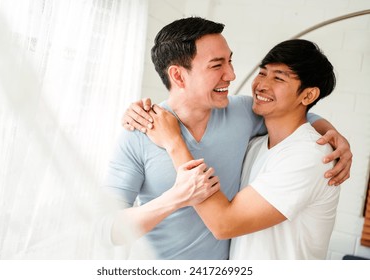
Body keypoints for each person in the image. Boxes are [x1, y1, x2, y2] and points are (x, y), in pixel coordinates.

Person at [107, 16, 351, 259]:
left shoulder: (243, 113)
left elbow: (292, 116)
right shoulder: (139, 132)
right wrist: (173, 199)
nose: (232, 75)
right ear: (179, 76)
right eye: (217, 65)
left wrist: (332, 133)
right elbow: (106, 228)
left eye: (230, 61)